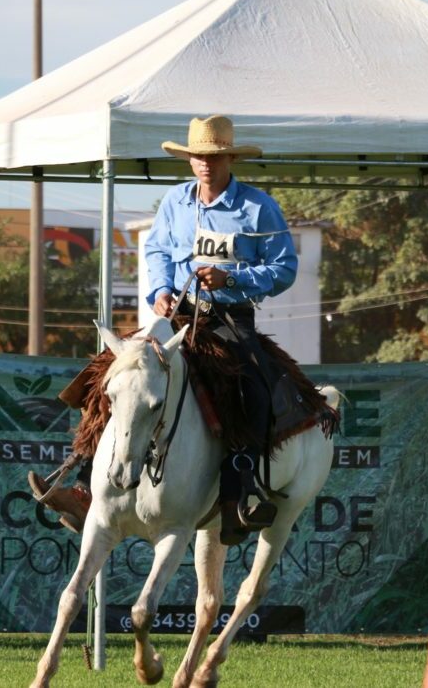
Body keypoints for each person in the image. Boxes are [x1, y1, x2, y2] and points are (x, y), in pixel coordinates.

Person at [30, 115, 298, 546]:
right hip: (176, 315)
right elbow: (156, 250)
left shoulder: (258, 207)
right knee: (109, 373)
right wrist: (159, 289)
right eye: (197, 156)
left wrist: (232, 280)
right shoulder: (174, 202)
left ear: (229, 156)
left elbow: (284, 269)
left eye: (213, 156)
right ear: (189, 159)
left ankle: (240, 494)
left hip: (228, 319)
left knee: (255, 388)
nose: (205, 164)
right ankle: (82, 481)